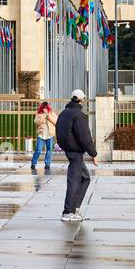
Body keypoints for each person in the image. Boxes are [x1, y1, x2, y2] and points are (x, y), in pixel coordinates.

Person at [55, 89, 98, 221]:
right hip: (75, 152)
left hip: (69, 150)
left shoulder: (64, 113)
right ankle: (68, 211)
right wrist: (93, 154)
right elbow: (84, 136)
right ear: (81, 100)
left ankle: (75, 207)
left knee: (85, 178)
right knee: (74, 181)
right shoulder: (78, 115)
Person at [31, 103, 57, 170]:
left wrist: (48, 116)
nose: (45, 109)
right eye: (44, 107)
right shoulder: (39, 114)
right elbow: (36, 122)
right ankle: (33, 163)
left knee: (49, 150)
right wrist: (43, 116)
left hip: (50, 135)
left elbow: (56, 122)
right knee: (38, 150)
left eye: (46, 107)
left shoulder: (51, 113)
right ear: (42, 108)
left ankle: (47, 164)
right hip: (41, 135)